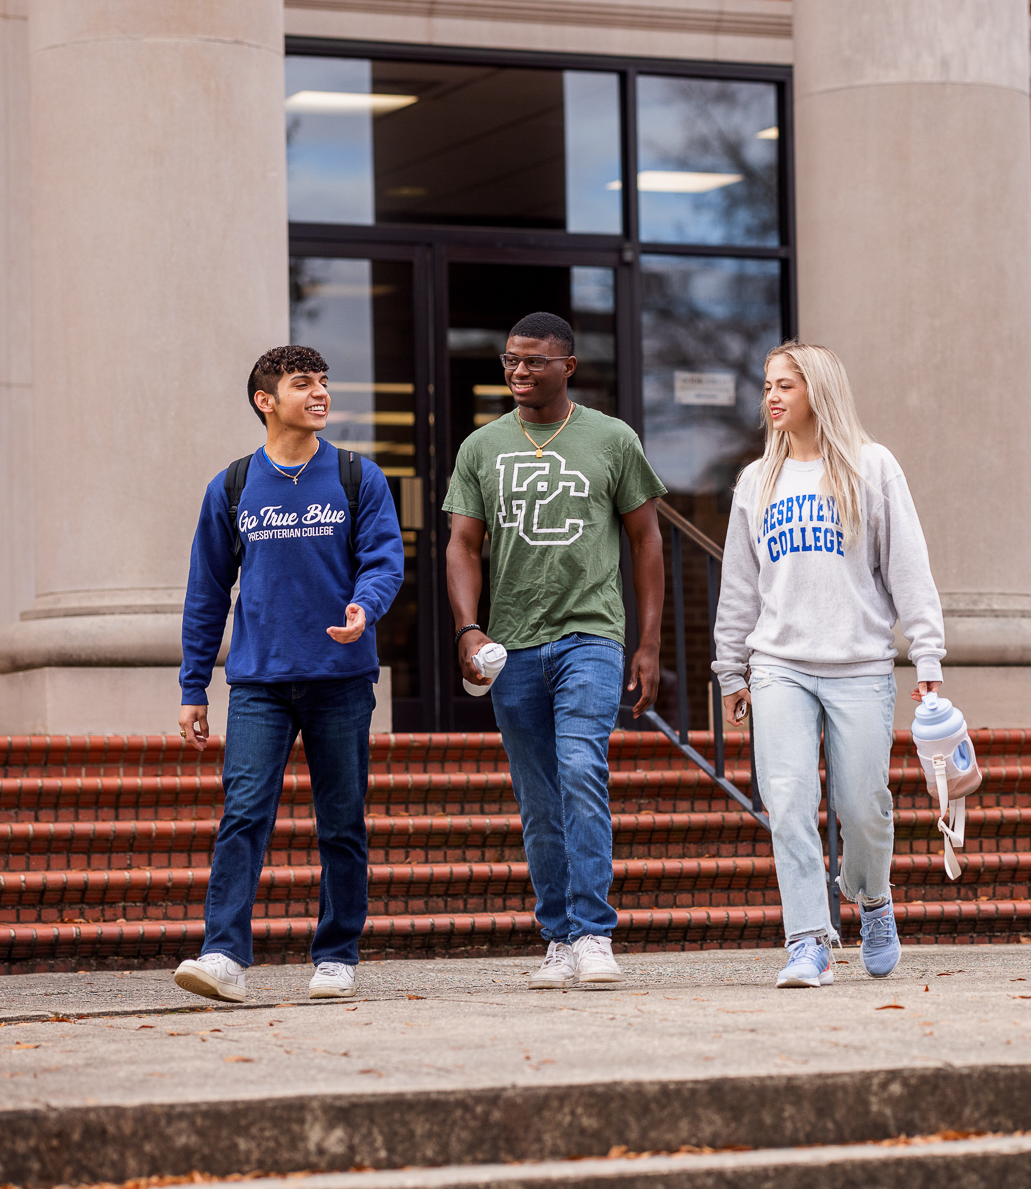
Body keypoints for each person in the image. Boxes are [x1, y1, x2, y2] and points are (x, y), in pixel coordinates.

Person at [174, 345, 404, 1003]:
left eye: (325, 382)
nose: (321, 393)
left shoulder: (360, 478)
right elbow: (207, 591)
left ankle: (336, 955)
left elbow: (385, 561)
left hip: (341, 678)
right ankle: (223, 955)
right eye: (304, 384)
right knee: (243, 816)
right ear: (265, 401)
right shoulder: (234, 485)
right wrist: (194, 686)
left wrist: (367, 606)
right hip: (258, 683)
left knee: (341, 821)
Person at [713, 341, 946, 988]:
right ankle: (808, 941)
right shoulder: (757, 482)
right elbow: (739, 586)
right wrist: (731, 669)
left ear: (819, 390)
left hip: (860, 663)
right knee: (787, 801)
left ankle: (872, 900)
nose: (772, 396)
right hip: (779, 664)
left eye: (786, 384)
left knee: (862, 805)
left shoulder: (872, 468)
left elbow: (908, 566)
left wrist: (926, 651)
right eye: (767, 385)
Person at [443, 312, 666, 991]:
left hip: (590, 635)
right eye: (511, 359)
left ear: (568, 366)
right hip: (511, 646)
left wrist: (649, 644)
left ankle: (595, 931)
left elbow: (647, 542)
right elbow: (462, 544)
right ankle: (559, 938)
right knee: (538, 799)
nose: (519, 370)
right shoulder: (481, 448)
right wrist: (466, 627)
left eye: (535, 361)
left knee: (578, 768)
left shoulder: (612, 440)